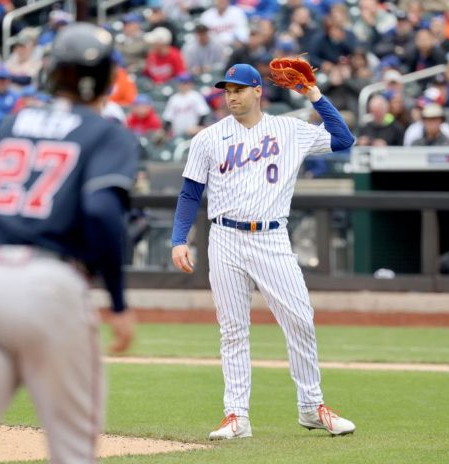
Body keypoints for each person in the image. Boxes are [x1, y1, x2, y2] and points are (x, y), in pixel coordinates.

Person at [0, 22, 139, 464]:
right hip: (51, 283)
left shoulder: (10, 122)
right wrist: (116, 299)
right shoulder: (107, 133)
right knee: (73, 452)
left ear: (52, 71)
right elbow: (101, 213)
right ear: (106, 79)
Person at [170, 63, 356, 440]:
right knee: (233, 330)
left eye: (239, 88)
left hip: (271, 236)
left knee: (300, 319)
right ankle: (236, 416)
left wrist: (314, 95)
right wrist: (178, 238)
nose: (232, 95)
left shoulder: (288, 129)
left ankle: (311, 406)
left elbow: (343, 140)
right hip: (223, 237)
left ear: (258, 91)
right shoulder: (208, 138)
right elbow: (190, 192)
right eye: (227, 90)